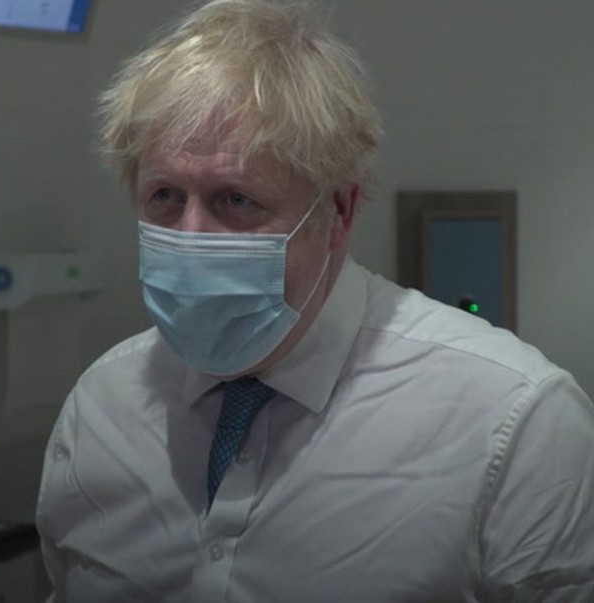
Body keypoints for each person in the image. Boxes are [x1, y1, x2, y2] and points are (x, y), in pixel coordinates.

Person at [36, 1, 594, 601]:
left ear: (339, 211)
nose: (191, 237)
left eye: (236, 200)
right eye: (165, 196)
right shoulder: (101, 408)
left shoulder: (513, 423)